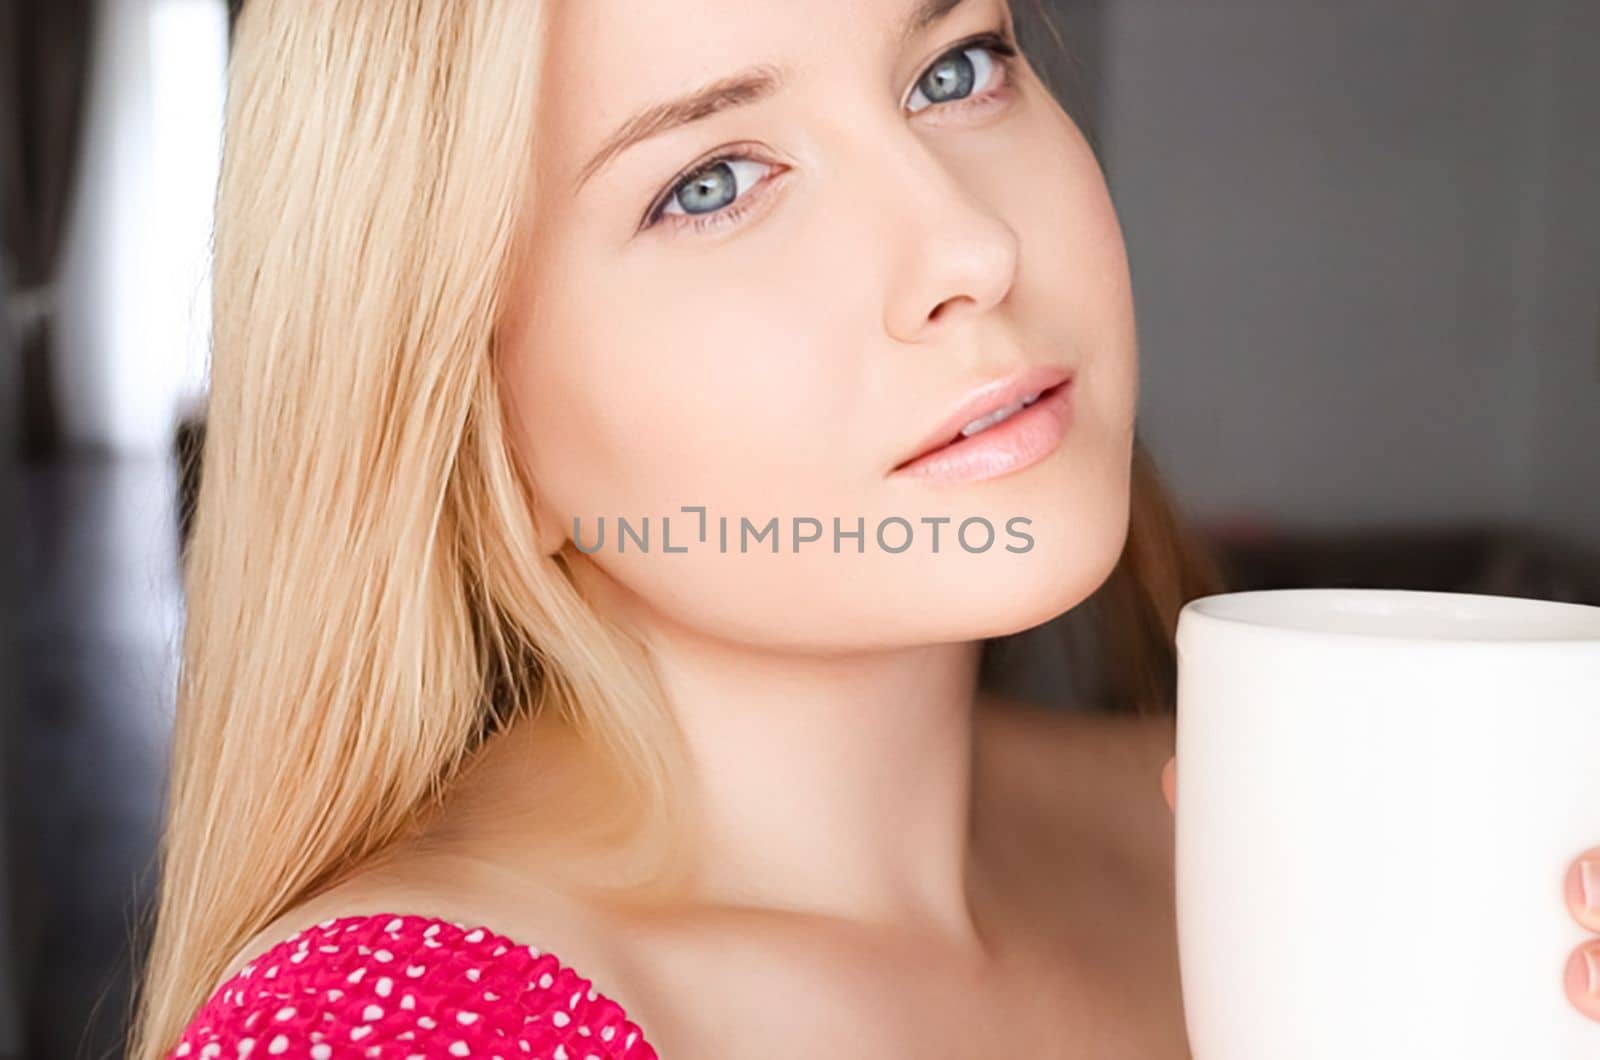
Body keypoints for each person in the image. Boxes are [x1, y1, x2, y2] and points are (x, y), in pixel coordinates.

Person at [129, 1, 1600, 1057]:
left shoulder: (1248, 844)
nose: (971, 243)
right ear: (462, 416)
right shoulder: (415, 1033)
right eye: (710, 184)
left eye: (956, 67)